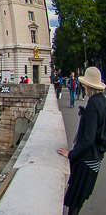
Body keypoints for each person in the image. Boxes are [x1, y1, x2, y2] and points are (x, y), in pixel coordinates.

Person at [57, 67, 106, 215]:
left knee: (75, 203)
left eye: (84, 85)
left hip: (86, 161)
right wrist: (85, 116)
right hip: (96, 159)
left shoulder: (93, 105)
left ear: (88, 86)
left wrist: (70, 154)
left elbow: (88, 140)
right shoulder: (102, 101)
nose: (83, 87)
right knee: (79, 200)